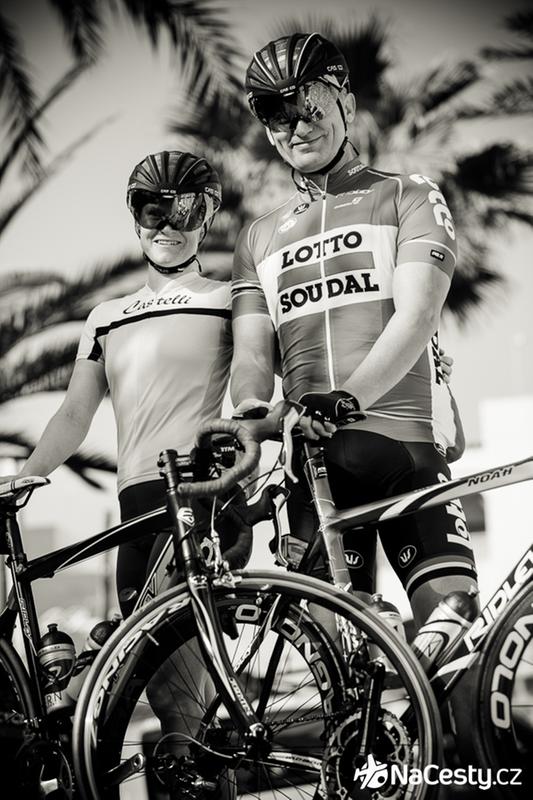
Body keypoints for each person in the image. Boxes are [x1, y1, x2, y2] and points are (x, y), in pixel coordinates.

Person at [8, 150, 248, 797]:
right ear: (135, 218)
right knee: (153, 692)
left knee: (185, 699)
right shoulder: (105, 317)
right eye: (152, 209)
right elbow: (73, 414)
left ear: (207, 217)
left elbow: (273, 378)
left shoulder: (229, 300)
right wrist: (26, 476)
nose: (167, 224)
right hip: (133, 507)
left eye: (185, 210)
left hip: (194, 494)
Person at [230, 32, 478, 635]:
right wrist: (252, 415)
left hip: (403, 445)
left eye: (309, 105)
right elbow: (252, 356)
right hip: (311, 464)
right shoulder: (257, 238)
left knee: (455, 631)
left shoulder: (407, 194)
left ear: (346, 103)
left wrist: (347, 399)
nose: (296, 126)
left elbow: (416, 316)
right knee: (332, 668)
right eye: (276, 114)